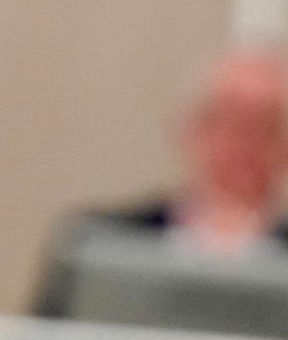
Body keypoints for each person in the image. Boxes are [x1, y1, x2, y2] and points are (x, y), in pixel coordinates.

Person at [33, 46, 288, 310]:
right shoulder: (101, 244)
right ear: (190, 128)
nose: (245, 143)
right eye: (229, 120)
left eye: (266, 126)